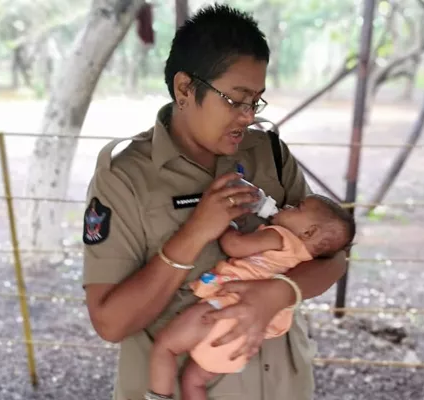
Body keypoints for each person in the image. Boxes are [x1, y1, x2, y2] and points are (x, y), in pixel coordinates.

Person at [82, 4, 349, 400]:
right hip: (179, 387)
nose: (246, 117)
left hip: (280, 387)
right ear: (185, 88)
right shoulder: (125, 176)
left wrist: (277, 294)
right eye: (236, 100)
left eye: (255, 101)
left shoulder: (269, 154)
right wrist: (195, 233)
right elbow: (110, 323)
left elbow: (333, 256)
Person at [146, 194, 356, 400]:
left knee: (166, 347)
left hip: (224, 309)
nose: (288, 206)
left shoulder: (280, 236)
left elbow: (235, 246)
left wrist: (227, 225)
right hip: (246, 335)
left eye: (297, 207)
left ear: (309, 232)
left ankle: (159, 397)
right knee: (194, 381)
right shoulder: (305, 259)